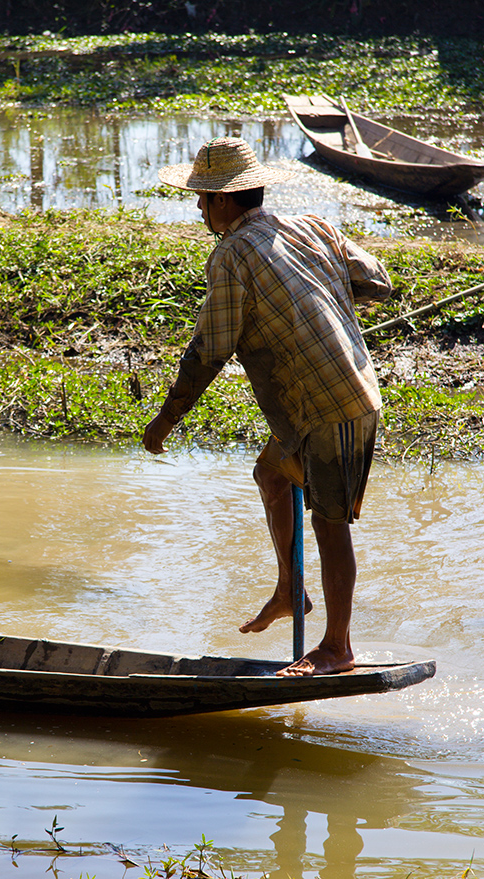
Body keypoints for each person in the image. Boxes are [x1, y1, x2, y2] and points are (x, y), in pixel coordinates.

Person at [142, 137, 392, 676]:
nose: (199, 208)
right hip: (333, 395)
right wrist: (320, 289)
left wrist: (166, 418)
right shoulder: (312, 226)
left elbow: (210, 348)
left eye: (205, 198)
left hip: (331, 404)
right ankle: (289, 590)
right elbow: (377, 281)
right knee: (272, 474)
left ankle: (336, 649)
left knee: (329, 523)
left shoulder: (230, 255)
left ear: (225, 202)